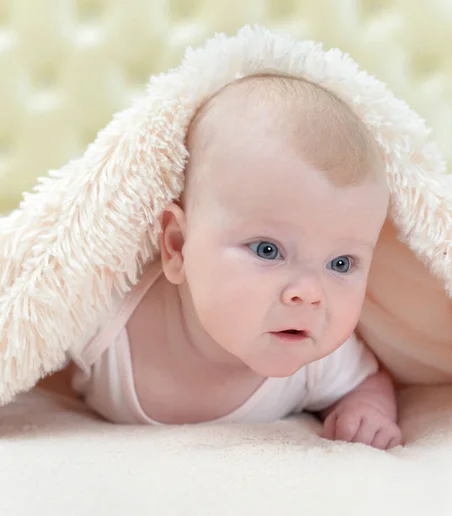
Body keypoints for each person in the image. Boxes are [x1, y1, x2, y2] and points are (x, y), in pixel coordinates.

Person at [70, 73, 403, 449]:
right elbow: (22, 337)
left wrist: (367, 411)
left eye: (341, 263)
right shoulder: (106, 318)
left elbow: (365, 383)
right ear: (178, 246)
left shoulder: (317, 359)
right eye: (267, 250)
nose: (310, 294)